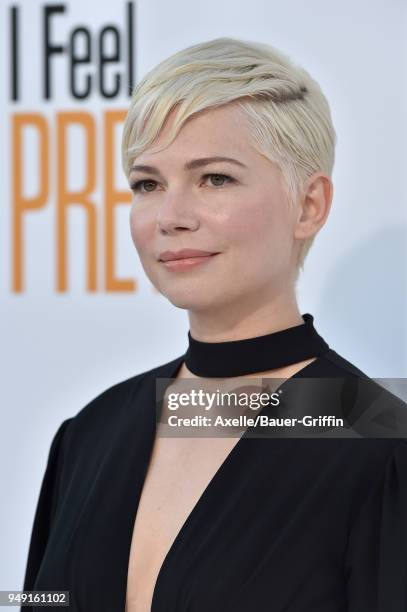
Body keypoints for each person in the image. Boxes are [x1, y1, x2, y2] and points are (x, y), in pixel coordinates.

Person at [21, 37, 407, 612]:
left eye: (214, 179)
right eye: (148, 183)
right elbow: (40, 600)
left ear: (309, 206)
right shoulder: (89, 433)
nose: (171, 217)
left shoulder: (375, 439)